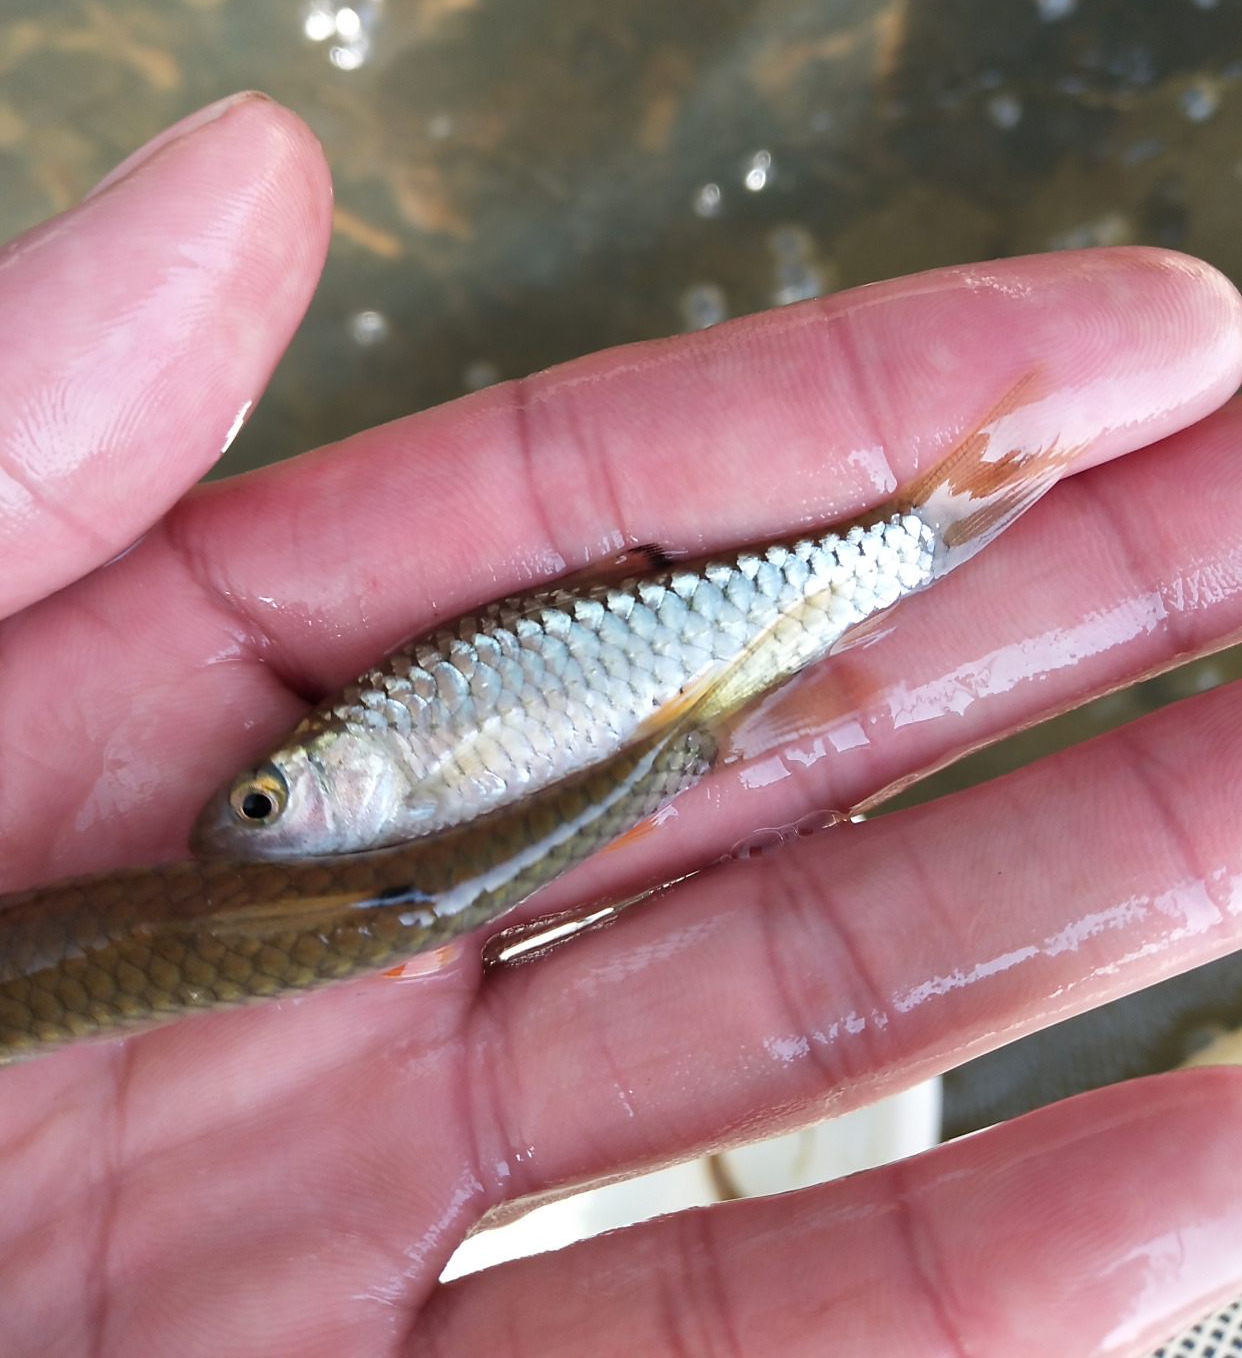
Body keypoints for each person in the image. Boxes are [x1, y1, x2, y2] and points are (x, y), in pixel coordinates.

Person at [1, 91, 1241, 1357]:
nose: (252, 826)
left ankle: (913, 543)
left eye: (265, 803)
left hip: (651, 692)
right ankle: (907, 550)